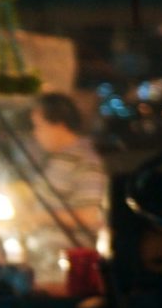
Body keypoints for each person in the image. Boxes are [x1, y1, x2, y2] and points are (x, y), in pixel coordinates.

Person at [17, 92, 107, 281]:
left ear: (58, 125)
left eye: (39, 126)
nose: (36, 133)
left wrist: (38, 218)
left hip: (65, 268)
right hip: (43, 262)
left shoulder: (85, 161)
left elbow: (91, 216)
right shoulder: (57, 159)